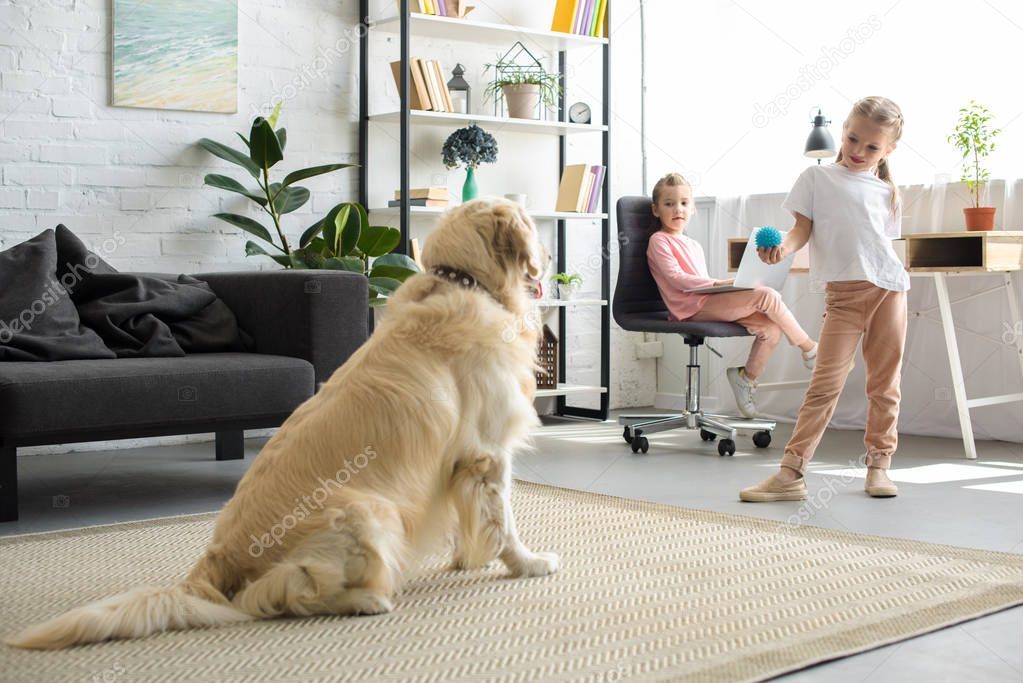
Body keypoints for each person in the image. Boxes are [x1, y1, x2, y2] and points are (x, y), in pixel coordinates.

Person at [740, 95, 909, 502]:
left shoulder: (886, 192)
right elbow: (800, 232)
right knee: (824, 385)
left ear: (888, 150)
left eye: (871, 147)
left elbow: (878, 245)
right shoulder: (816, 179)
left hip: (889, 291)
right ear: (844, 131)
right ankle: (791, 473)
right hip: (844, 297)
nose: (857, 151)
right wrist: (782, 247)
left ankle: (879, 466)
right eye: (852, 139)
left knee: (884, 385)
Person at [646, 172, 818, 418]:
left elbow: (700, 284)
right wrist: (719, 282)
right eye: (669, 204)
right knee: (766, 296)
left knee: (771, 329)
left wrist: (729, 285)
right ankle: (810, 349)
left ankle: (745, 379)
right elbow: (676, 278)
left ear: (693, 209)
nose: (678, 209)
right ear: (656, 209)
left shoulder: (694, 245)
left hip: (704, 299)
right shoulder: (659, 240)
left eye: (684, 203)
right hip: (688, 308)